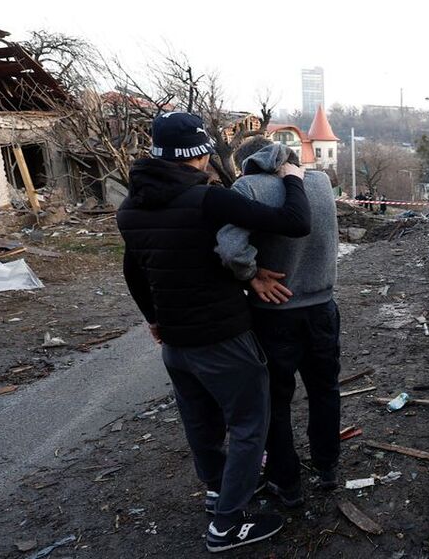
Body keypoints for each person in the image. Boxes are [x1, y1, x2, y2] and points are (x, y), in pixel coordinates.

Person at [117, 113, 311, 554]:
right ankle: (227, 525)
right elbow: (295, 221)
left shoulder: (130, 208)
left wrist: (153, 319)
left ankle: (217, 489)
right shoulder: (208, 200)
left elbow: (134, 270)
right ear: (200, 153)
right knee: (248, 426)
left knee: (200, 423)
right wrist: (294, 177)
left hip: (175, 344)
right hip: (223, 340)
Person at [215, 138, 341, 508]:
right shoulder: (318, 181)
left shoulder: (248, 187)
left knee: (275, 402)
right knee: (325, 391)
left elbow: (231, 249)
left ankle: (287, 485)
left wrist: (251, 273)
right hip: (323, 308)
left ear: (244, 162)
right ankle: (327, 467)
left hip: (274, 314)